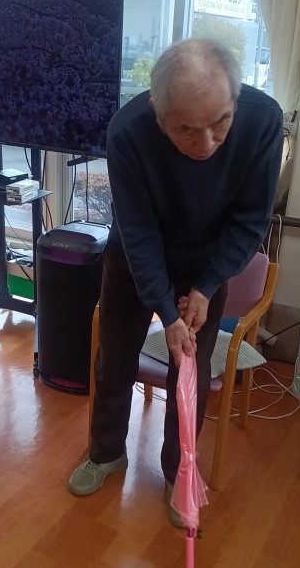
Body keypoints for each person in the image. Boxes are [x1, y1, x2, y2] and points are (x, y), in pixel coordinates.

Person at [68, 38, 283, 525]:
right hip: (135, 259)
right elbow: (138, 233)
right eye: (186, 129)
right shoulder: (128, 133)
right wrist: (166, 313)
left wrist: (205, 287)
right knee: (114, 360)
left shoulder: (263, 121)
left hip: (207, 264)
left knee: (190, 371)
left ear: (235, 100)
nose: (206, 145)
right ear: (158, 111)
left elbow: (251, 220)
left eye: (220, 123)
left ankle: (178, 471)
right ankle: (106, 453)